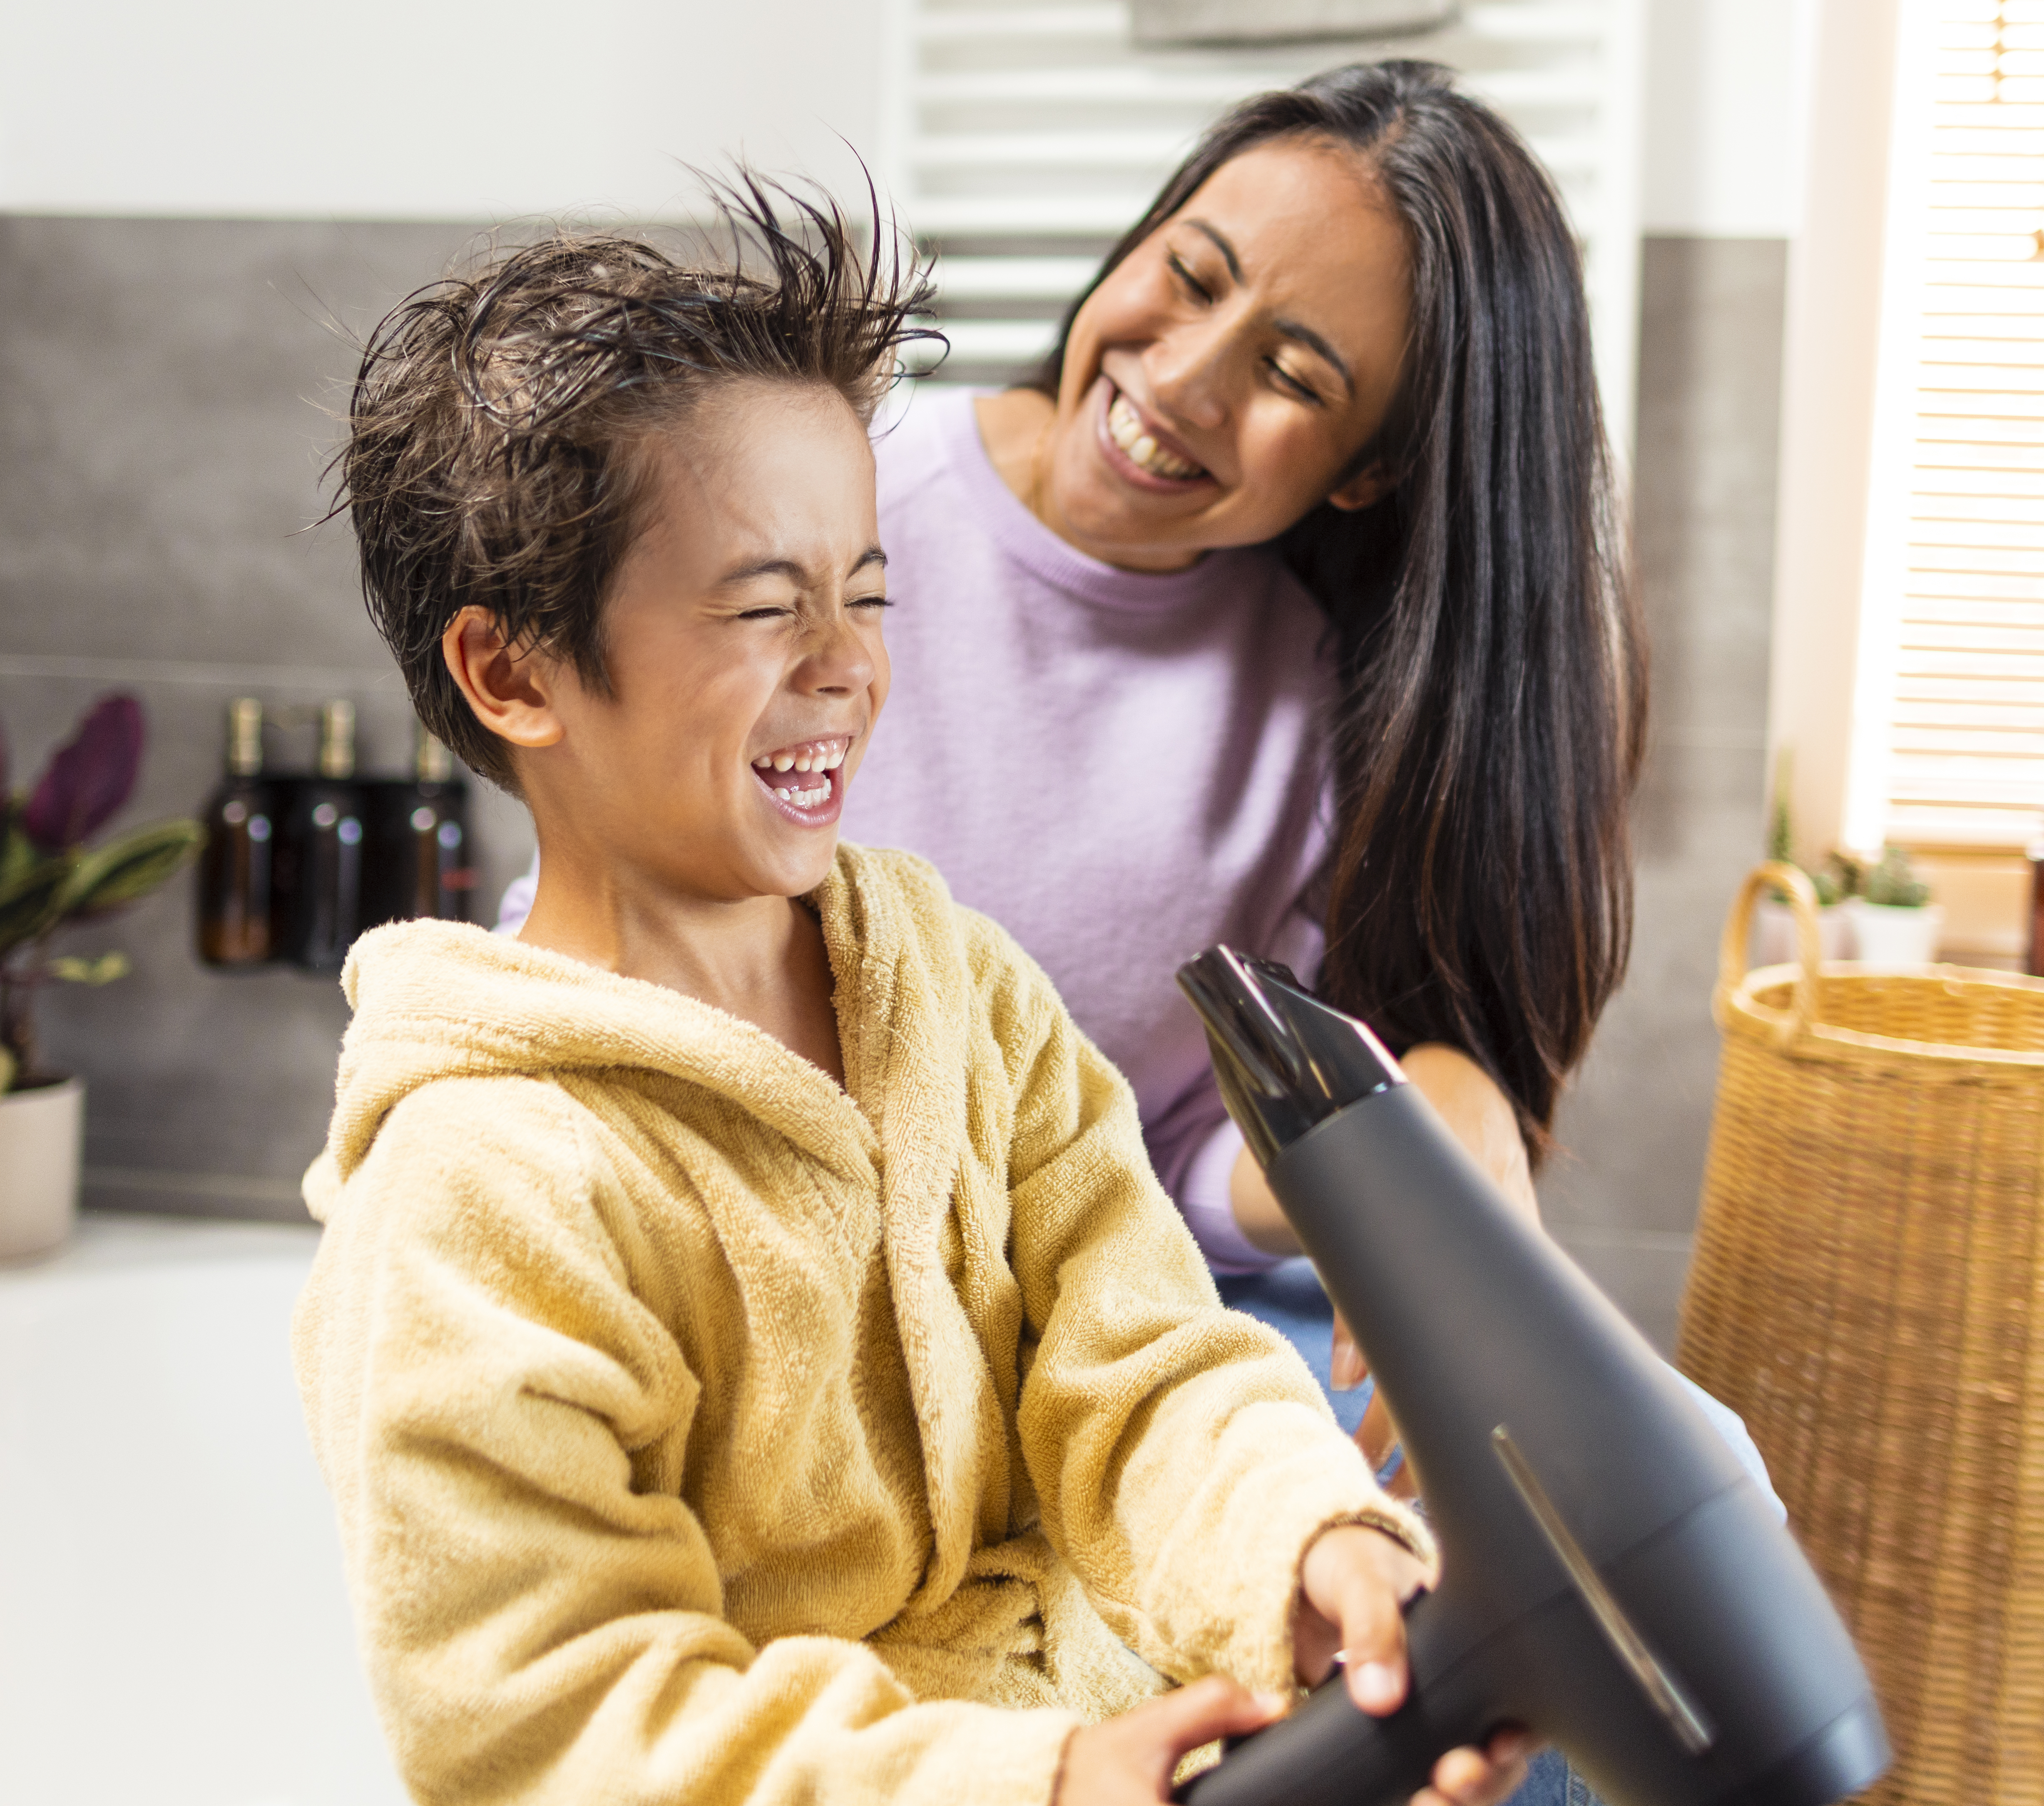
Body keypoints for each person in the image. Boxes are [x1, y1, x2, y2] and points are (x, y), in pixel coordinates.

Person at [298, 191, 1533, 1806]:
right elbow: (557, 1723)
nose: (845, 664)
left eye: (868, 592)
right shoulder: (480, 1196)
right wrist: (1036, 1777)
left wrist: (1304, 1550)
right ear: (514, 671)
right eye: (763, 605)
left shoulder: (952, 987)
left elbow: (1140, 1356)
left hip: (1108, 1715)